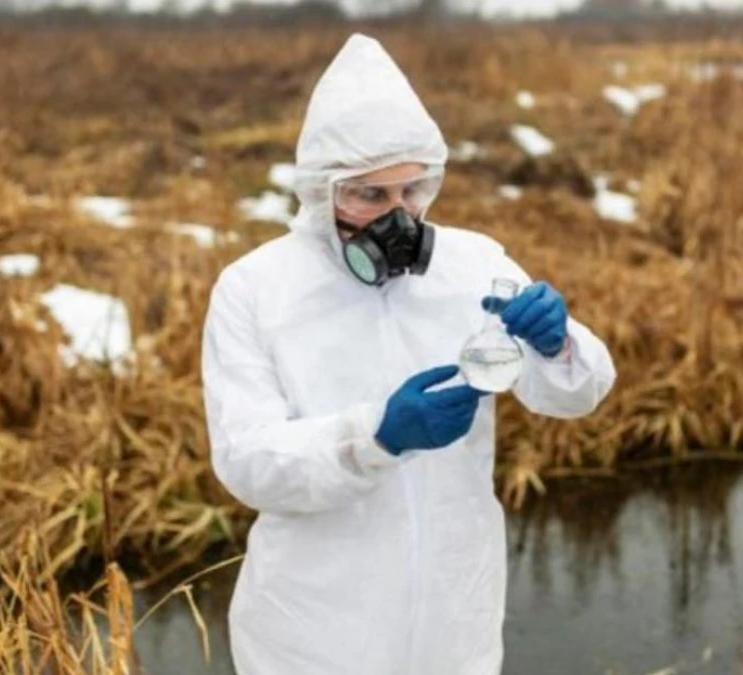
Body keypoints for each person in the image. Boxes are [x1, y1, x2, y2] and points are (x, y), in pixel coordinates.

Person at [200, 32, 616, 675]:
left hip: (455, 618)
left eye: (413, 191)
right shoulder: (256, 289)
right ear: (321, 192)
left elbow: (575, 395)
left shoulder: (471, 262)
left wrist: (560, 343)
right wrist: (376, 437)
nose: (400, 217)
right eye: (370, 196)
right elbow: (248, 462)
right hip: (314, 630)